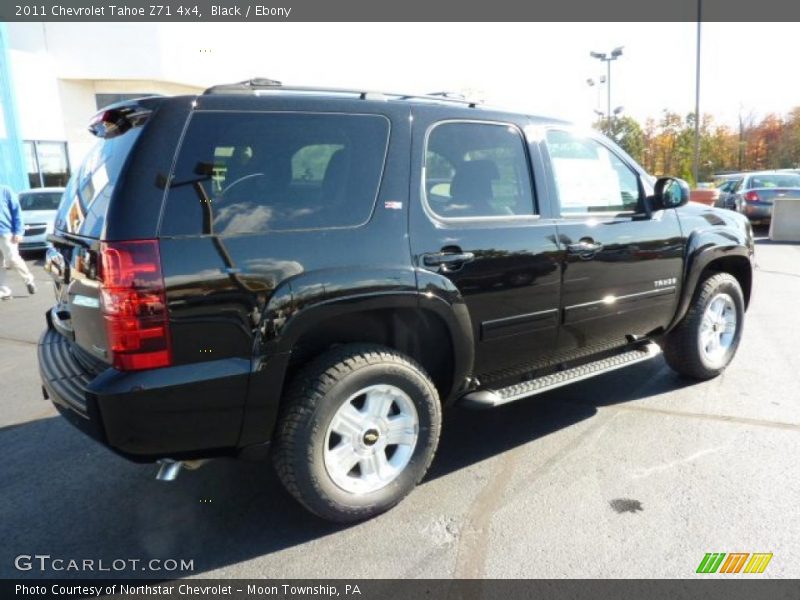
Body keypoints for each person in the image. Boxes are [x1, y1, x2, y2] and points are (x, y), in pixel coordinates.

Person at [0, 185, 36, 300]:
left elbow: (16, 211)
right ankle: (4, 291)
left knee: (12, 259)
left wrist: (19, 232)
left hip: (6, 232)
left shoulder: (5, 191)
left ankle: (28, 280)